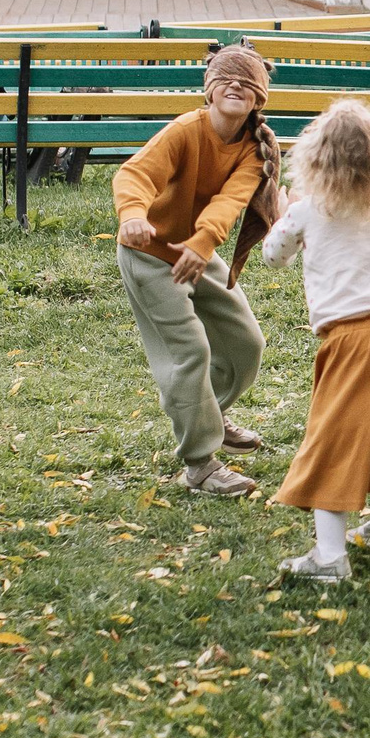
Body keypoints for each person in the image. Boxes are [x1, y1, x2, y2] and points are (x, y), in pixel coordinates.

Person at [257, 99, 370, 584]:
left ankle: (329, 556)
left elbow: (272, 257)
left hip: (352, 338)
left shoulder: (305, 210)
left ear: (314, 159)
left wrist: (281, 210)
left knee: (333, 440)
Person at [113, 45, 283, 496]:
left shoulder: (254, 151)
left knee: (246, 343)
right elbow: (135, 175)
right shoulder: (186, 130)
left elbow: (229, 201)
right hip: (149, 254)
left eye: (248, 83)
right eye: (227, 79)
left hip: (197, 251)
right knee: (190, 351)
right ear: (209, 90)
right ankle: (201, 466)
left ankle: (209, 413)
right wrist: (132, 214)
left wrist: (203, 242)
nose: (236, 87)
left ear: (258, 99)